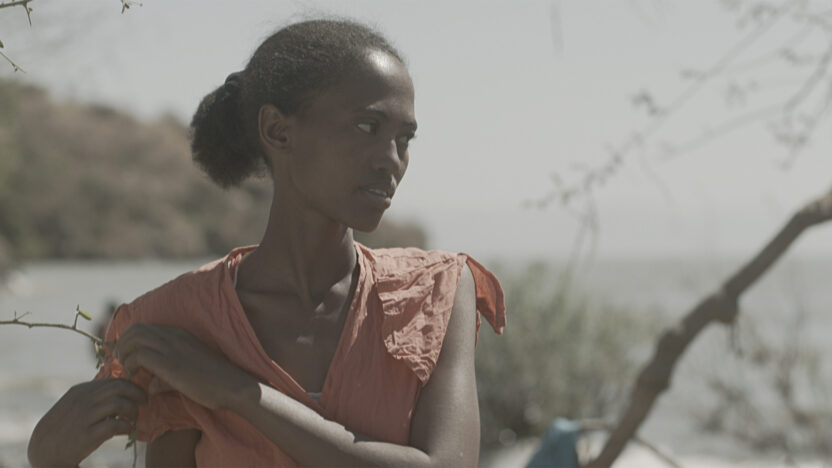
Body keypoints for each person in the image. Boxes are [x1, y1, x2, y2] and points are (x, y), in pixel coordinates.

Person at [27, 18, 505, 467]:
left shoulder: (432, 295)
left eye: (405, 139)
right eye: (368, 127)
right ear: (278, 130)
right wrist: (48, 454)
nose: (392, 160)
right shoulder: (185, 319)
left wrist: (238, 392)